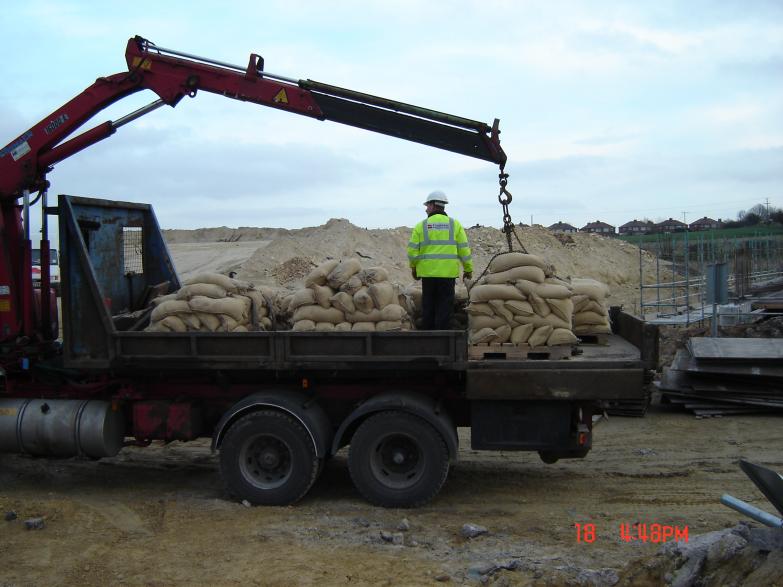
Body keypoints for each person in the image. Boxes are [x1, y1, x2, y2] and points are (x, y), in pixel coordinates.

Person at [407, 190, 473, 330]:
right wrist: (468, 269)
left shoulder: (421, 226)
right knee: (445, 307)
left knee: (428, 306)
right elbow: (464, 250)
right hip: (447, 275)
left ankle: (428, 338)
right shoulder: (455, 225)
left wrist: (414, 267)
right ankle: (443, 338)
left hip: (428, 275)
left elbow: (413, 251)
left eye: (427, 205)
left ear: (433, 205)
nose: (426, 209)